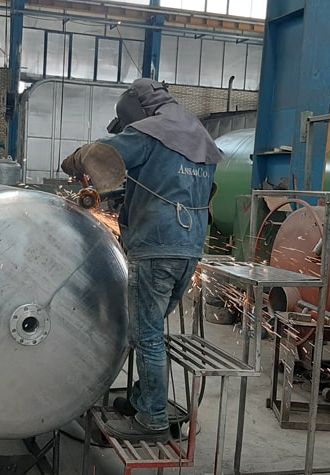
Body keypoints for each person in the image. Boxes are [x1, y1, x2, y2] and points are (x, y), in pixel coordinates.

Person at [61, 78, 223, 442]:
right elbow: (173, 186)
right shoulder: (197, 135)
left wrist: (73, 162)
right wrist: (120, 195)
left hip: (155, 246)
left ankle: (152, 418)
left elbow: (101, 154)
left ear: (136, 110)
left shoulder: (151, 132)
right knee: (150, 329)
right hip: (189, 248)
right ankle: (142, 398)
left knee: (146, 335)